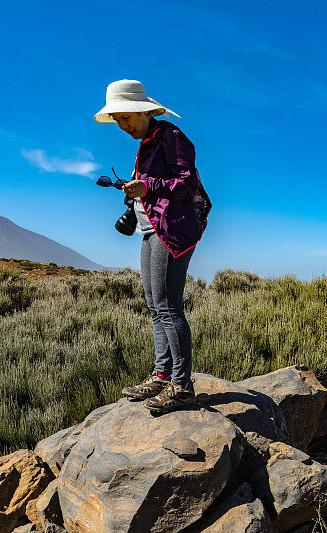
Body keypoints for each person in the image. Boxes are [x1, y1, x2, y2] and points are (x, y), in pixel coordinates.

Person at [94, 79, 210, 414]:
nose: (122, 124)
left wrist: (147, 186)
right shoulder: (148, 142)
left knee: (168, 307)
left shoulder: (170, 137)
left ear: (144, 111)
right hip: (150, 231)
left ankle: (181, 386)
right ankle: (162, 376)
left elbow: (186, 183)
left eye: (125, 117)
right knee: (155, 307)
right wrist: (137, 193)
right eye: (117, 120)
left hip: (171, 232)